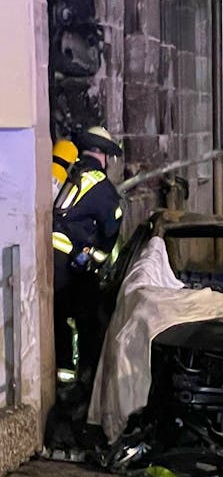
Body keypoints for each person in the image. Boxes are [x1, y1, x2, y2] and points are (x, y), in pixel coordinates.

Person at [51, 126, 123, 383]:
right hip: (72, 260)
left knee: (57, 314)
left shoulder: (71, 173)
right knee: (88, 317)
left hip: (50, 255)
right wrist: (98, 256)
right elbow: (112, 225)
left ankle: (62, 375)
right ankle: (86, 378)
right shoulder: (101, 185)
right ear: (102, 155)